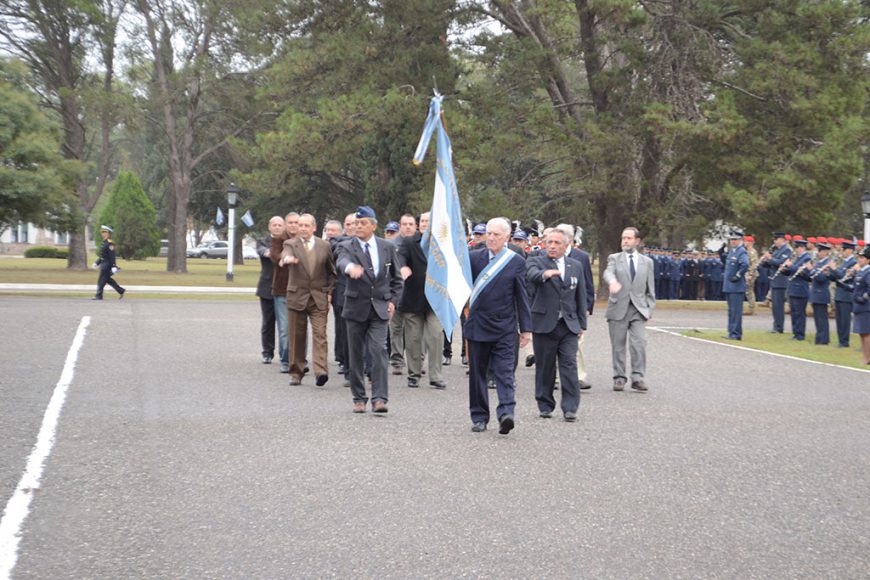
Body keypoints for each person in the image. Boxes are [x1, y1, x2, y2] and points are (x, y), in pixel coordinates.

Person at [465, 217, 532, 434]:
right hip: (477, 325)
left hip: (505, 326)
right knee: (478, 374)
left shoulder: (516, 261)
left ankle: (506, 413)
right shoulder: (473, 258)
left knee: (504, 372)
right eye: (489, 234)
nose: (491, 238)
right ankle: (479, 417)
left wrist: (526, 329)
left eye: (496, 235)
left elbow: (522, 297)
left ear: (507, 237)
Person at [335, 206, 402, 413]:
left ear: (373, 225)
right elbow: (341, 262)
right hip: (356, 308)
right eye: (356, 224)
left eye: (363, 223)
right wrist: (350, 269)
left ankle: (380, 398)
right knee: (355, 355)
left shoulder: (386, 247)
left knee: (378, 351)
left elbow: (397, 280)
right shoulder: (347, 246)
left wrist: (392, 301)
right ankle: (359, 397)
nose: (358, 227)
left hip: (379, 309)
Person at [525, 229, 587, 421]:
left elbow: (581, 295)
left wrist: (582, 323)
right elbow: (532, 275)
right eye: (549, 242)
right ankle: (545, 404)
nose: (552, 246)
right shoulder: (536, 260)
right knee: (545, 366)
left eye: (557, 243)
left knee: (569, 365)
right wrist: (546, 274)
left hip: (568, 325)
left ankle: (570, 408)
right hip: (544, 323)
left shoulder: (575, 265)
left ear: (566, 245)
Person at [280, 214, 337, 386]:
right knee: (297, 336)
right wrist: (286, 259)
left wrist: (329, 292)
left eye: (306, 225)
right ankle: (296, 372)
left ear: (314, 228)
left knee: (320, 334)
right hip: (297, 296)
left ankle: (321, 371)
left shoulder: (324, 245)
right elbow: (285, 254)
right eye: (300, 225)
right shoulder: (290, 244)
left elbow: (331, 272)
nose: (302, 228)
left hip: (318, 298)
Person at [603, 227, 656, 392]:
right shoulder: (614, 258)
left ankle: (638, 377)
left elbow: (650, 288)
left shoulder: (647, 262)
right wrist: (612, 282)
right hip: (618, 307)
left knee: (639, 344)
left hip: (638, 309)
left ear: (637, 241)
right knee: (618, 346)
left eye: (628, 238)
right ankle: (619, 378)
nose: (625, 241)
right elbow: (608, 273)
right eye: (623, 238)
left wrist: (649, 309)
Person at [397, 211, 445, 389]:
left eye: (429, 221)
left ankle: (436, 375)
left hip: (436, 300)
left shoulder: (443, 244)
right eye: (423, 221)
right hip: (413, 298)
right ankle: (414, 374)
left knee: (435, 336)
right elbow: (400, 256)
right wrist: (403, 267)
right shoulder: (410, 242)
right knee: (413, 339)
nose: (426, 224)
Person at [558, 224, 595, 390]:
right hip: (554, 309)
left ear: (570, 240)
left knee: (576, 343)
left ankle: (579, 376)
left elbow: (587, 283)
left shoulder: (581, 257)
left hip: (573, 308)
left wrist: (587, 306)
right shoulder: (547, 256)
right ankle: (556, 377)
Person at [388, 213, 418, 374]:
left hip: (416, 294)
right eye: (404, 224)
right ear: (399, 226)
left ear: (415, 226)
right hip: (397, 292)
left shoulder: (421, 245)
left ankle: (416, 362)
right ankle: (397, 360)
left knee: (415, 331)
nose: (407, 227)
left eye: (411, 224)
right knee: (396, 329)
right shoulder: (390, 245)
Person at [255, 216, 285, 363]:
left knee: (284, 324)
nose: (277, 227)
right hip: (266, 287)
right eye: (275, 225)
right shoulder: (262, 242)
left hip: (284, 287)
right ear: (269, 227)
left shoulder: (289, 242)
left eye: (280, 225)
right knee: (268, 322)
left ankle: (285, 353)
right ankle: (267, 352)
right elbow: (264, 252)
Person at [782, 237, 812, 341]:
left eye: (799, 247)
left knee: (799, 313)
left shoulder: (807, 258)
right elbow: (792, 271)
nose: (797, 249)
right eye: (796, 247)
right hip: (793, 288)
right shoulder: (797, 258)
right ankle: (795, 332)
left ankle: (800, 334)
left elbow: (803, 272)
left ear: (803, 248)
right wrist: (784, 269)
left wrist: (791, 266)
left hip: (801, 289)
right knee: (794, 312)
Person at [722, 230, 749, 340]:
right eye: (731, 239)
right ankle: (731, 331)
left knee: (736, 311)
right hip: (729, 286)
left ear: (740, 240)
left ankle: (736, 333)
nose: (733, 241)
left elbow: (745, 264)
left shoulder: (741, 251)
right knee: (731, 311)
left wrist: (738, 275)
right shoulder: (732, 251)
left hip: (736, 286)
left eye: (735, 239)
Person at [830, 240, 857, 348]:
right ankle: (840, 340)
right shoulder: (844, 261)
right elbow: (837, 277)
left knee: (845, 320)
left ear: (850, 250)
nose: (843, 251)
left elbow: (842, 277)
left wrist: (834, 269)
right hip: (839, 293)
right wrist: (830, 272)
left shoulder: (853, 262)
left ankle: (844, 341)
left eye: (844, 249)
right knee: (839, 319)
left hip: (846, 294)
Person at [807, 241, 834, 345]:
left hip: (821, 293)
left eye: (821, 251)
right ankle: (819, 337)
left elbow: (822, 278)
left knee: (822, 318)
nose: (819, 253)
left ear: (826, 252)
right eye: (819, 251)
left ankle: (824, 339)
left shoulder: (827, 264)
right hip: (815, 292)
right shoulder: (819, 263)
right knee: (817, 318)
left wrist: (812, 270)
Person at [92, 225, 125, 300]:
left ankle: (99, 296)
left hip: (107, 265)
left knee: (101, 280)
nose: (103, 233)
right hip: (103, 264)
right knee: (108, 280)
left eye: (105, 232)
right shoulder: (104, 243)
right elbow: (102, 256)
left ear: (108, 233)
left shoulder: (110, 243)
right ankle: (121, 290)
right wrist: (96, 263)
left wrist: (113, 266)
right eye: (102, 232)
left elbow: (112, 256)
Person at [851, 246, 870, 364]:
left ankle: (867, 358)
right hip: (858, 306)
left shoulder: (868, 272)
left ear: (868, 260)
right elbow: (857, 287)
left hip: (866, 306)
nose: (859, 260)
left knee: (867, 333)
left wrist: (863, 298)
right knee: (861, 333)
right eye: (859, 257)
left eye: (862, 258)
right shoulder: (861, 271)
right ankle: (865, 356)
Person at [744, 236, 759, 313]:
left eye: (746, 241)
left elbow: (754, 264)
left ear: (750, 243)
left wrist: (750, 274)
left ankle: (751, 308)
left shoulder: (752, 252)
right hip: (748, 273)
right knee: (748, 290)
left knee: (749, 290)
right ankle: (751, 307)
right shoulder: (747, 251)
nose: (744, 243)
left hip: (751, 274)